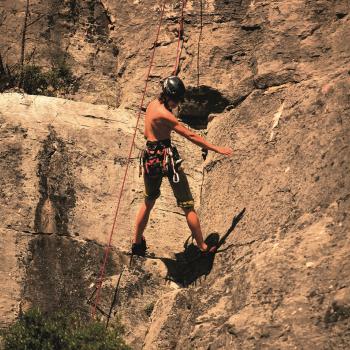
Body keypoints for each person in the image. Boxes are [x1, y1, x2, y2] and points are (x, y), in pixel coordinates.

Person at [132, 76, 233, 256]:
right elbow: (191, 136)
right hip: (166, 158)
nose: (177, 104)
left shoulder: (152, 104)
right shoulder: (166, 115)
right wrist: (215, 148)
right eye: (177, 100)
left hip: (149, 158)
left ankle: (137, 243)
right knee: (187, 205)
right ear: (171, 97)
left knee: (148, 201)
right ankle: (203, 247)